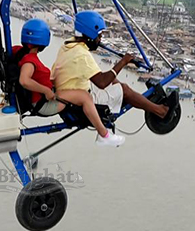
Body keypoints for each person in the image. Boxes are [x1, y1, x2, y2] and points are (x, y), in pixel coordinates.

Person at [51, 11, 178, 144]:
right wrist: (123, 62)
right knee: (123, 88)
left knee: (115, 81)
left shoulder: (67, 45)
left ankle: (140, 100)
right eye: (98, 36)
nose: (99, 40)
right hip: (77, 102)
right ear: (90, 34)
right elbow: (101, 83)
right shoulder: (81, 54)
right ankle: (161, 111)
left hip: (70, 93)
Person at [15, 18, 124, 147]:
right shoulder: (29, 60)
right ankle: (104, 135)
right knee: (85, 97)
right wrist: (45, 90)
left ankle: (103, 133)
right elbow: (24, 80)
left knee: (80, 90)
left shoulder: (19, 52)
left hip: (41, 99)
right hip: (43, 104)